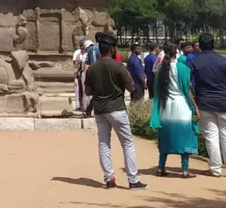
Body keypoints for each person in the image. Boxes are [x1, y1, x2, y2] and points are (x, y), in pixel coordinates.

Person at [83, 35, 145, 189]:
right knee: (127, 144)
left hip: (100, 109)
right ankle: (133, 179)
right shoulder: (118, 67)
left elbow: (88, 91)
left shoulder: (92, 68)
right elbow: (131, 87)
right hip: (117, 108)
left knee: (104, 144)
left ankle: (109, 179)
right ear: (112, 49)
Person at [189, 33, 226, 178]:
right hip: (223, 102)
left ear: (199, 46)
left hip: (204, 103)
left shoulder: (194, 62)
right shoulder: (224, 61)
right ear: (214, 44)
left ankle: (215, 169)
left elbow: (184, 77)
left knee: (211, 136)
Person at [150, 44, 198, 178]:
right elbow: (187, 90)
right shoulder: (183, 68)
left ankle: (160, 167)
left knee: (165, 137)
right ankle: (185, 169)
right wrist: (195, 107)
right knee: (185, 137)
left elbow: (157, 90)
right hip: (181, 106)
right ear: (176, 54)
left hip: (165, 107)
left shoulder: (161, 69)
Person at [74, 39, 94, 112]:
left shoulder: (88, 53)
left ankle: (87, 108)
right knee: (86, 91)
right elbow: (77, 66)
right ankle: (85, 108)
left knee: (88, 91)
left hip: (86, 72)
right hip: (85, 73)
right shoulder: (81, 55)